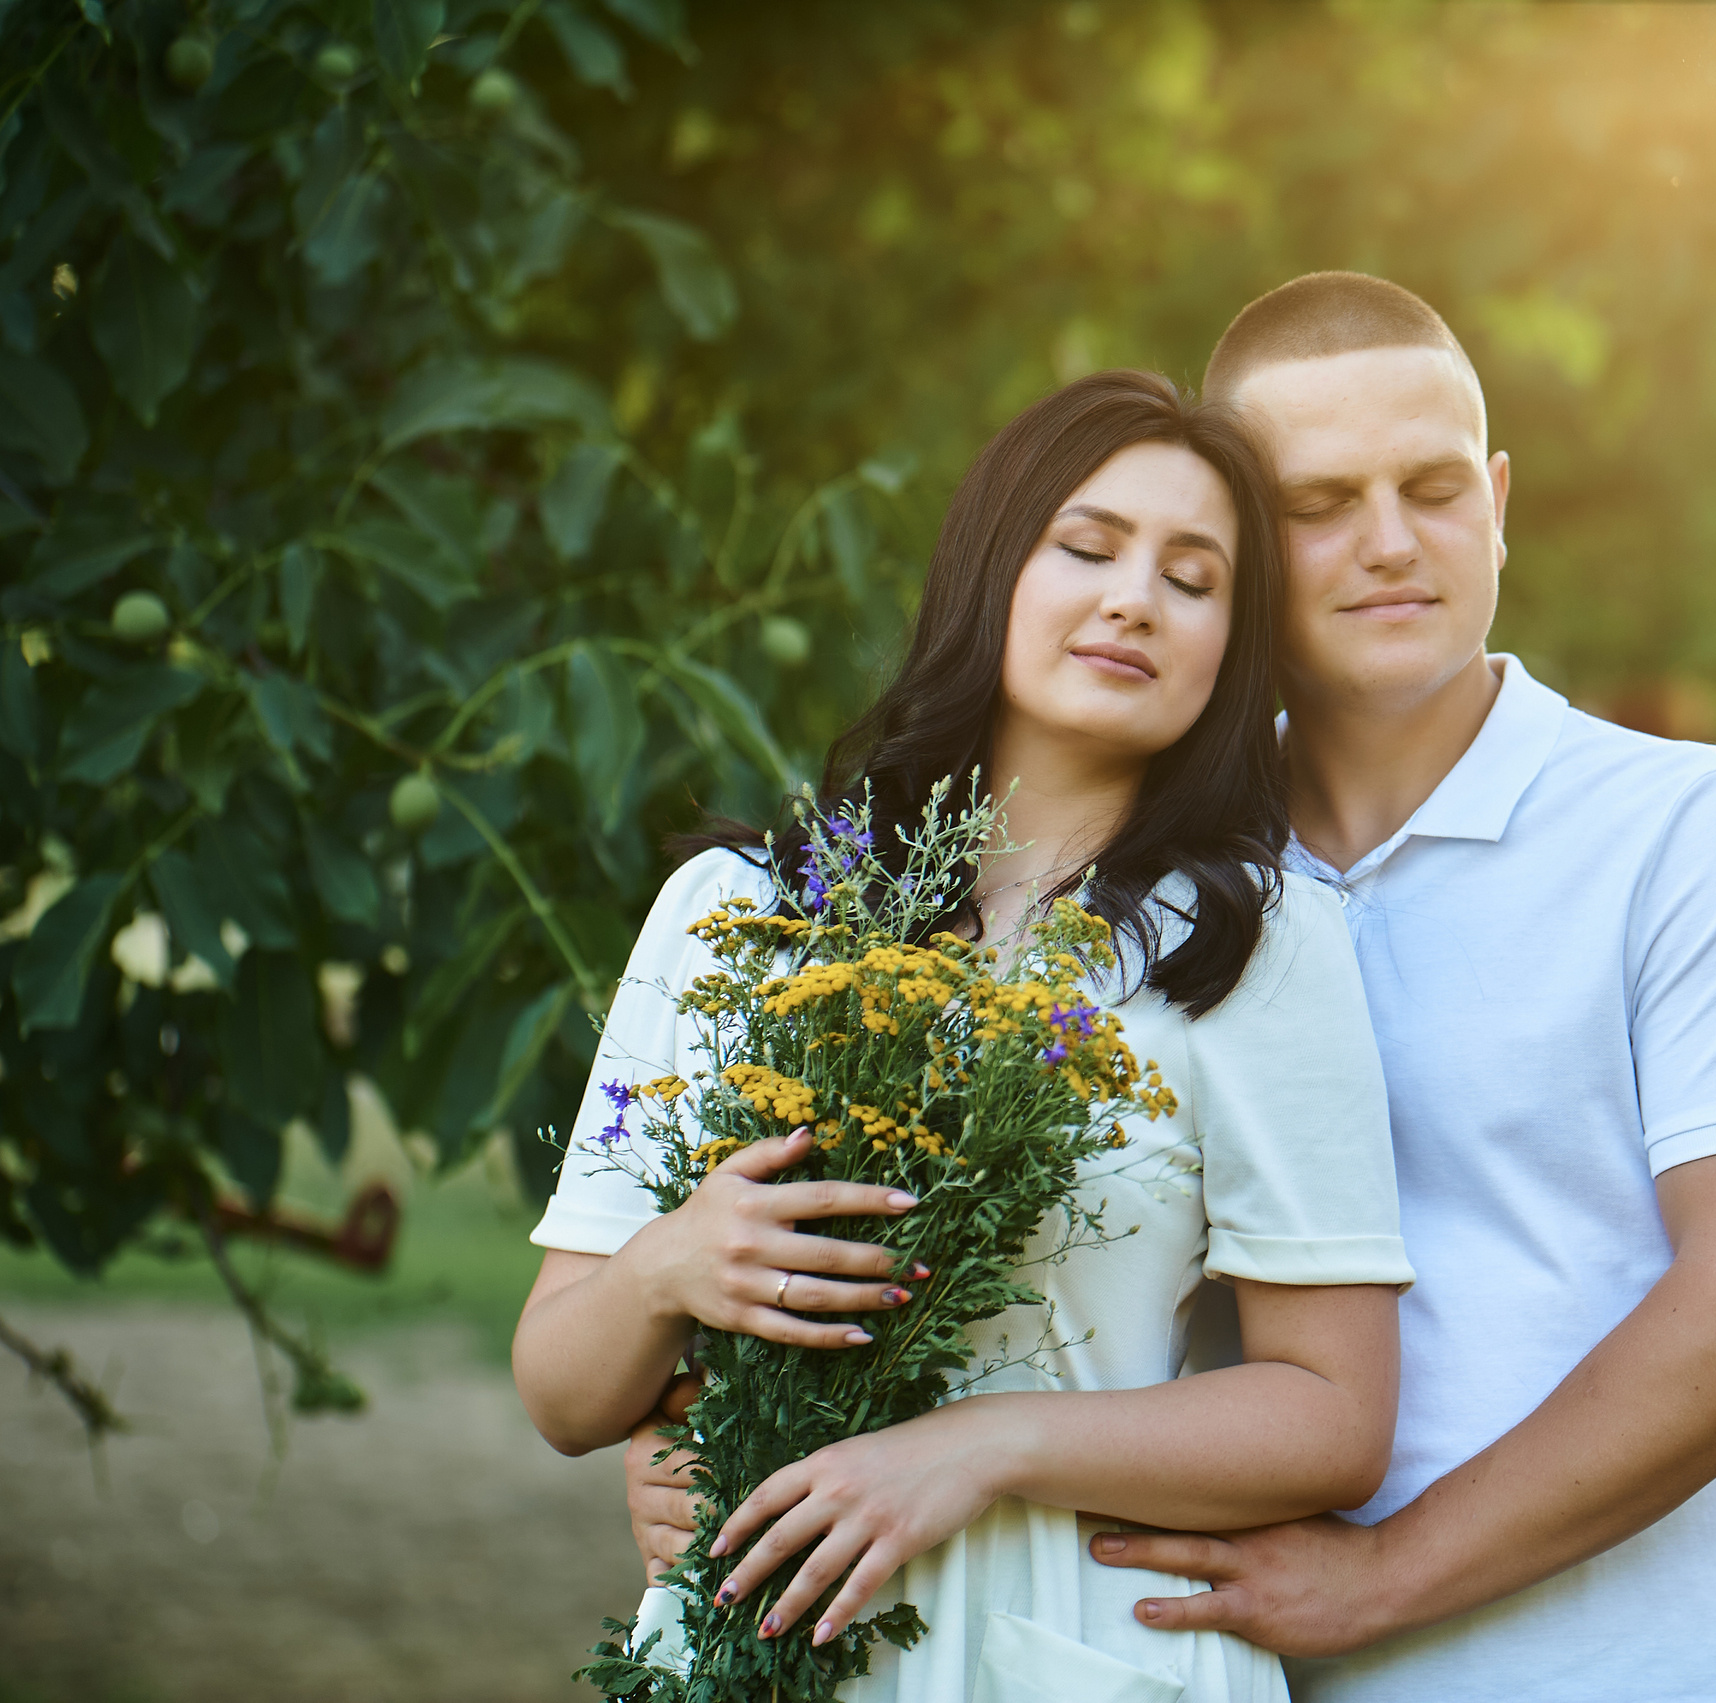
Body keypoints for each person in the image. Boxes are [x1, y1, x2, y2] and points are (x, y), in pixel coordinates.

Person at [626, 275, 1716, 1701]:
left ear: (1498, 502)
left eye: (1433, 489)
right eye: (1321, 503)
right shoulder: (1151, 876)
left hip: (1621, 1668)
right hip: (1210, 1661)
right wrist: (712, 1427)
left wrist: (1387, 1574)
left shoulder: (1689, 828)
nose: (1391, 541)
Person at [514, 369, 1414, 1702]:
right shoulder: (739, 912)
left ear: (1231, 649)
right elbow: (560, 1392)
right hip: (753, 1628)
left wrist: (981, 1448)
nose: (1134, 600)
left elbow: (1335, 1416)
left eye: (1193, 579)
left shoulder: (1253, 945)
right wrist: (669, 1268)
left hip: (1075, 1631)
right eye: (1088, 548)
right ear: (992, 569)